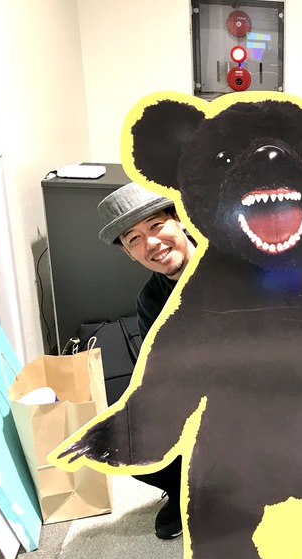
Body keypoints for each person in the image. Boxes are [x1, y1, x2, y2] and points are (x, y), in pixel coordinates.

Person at [97, 182, 196, 539]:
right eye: (135, 239)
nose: (151, 243)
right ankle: (187, 488)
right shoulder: (151, 300)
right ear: (128, 253)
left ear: (179, 219)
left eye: (156, 225)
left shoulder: (237, 261)